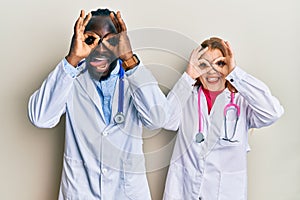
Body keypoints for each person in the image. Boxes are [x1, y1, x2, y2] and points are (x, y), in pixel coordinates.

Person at [28, 8, 169, 199]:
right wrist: (72, 59)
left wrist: (129, 59)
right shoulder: (71, 78)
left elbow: (158, 119)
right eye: (90, 39)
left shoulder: (133, 78)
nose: (101, 48)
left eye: (111, 40)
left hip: (127, 193)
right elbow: (40, 118)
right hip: (81, 192)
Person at [163, 37, 284, 200]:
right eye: (204, 65)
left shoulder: (242, 101)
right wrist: (188, 76)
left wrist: (236, 74)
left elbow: (273, 112)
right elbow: (167, 120)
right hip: (183, 191)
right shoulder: (187, 96)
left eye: (220, 64)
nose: (212, 71)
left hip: (224, 193)